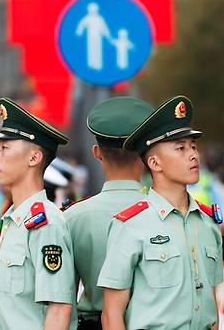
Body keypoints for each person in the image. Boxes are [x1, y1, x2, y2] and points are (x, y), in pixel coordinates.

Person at [98, 96, 224, 330]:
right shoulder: (131, 224)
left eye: (193, 146)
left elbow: (212, 305)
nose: (193, 155)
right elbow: (112, 314)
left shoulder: (207, 223)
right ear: (155, 163)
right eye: (180, 148)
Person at [62, 96, 154, 330]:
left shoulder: (73, 216)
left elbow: (63, 298)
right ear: (146, 154)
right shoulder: (163, 213)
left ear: (97, 152)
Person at [0, 97, 75, 330]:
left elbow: (58, 310)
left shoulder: (44, 223)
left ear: (34, 158)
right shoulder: (14, 218)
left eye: (5, 148)